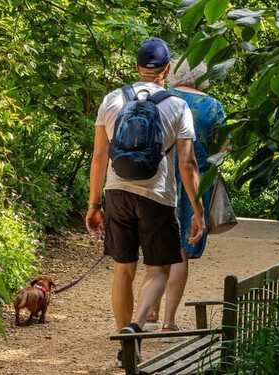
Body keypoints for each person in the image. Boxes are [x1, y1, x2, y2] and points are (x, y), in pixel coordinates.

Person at [85, 39, 204, 367]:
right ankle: (136, 327)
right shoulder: (177, 106)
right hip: (158, 197)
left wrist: (94, 205)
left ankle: (125, 335)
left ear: (137, 67)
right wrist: (198, 211)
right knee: (159, 269)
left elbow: (98, 157)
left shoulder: (112, 99)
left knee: (123, 270)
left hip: (117, 193)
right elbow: (187, 165)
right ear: (167, 70)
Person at [147, 59, 226, 331]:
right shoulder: (213, 107)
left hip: (161, 178)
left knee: (158, 243)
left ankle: (151, 309)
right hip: (196, 181)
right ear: (202, 76)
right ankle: (169, 321)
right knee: (181, 249)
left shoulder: (162, 99)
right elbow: (223, 150)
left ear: (172, 73)